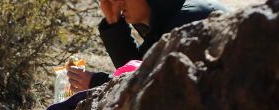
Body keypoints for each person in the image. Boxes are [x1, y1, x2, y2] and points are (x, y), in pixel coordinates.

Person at [68, 0, 229, 92]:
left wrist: (96, 83)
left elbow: (152, 88)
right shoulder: (168, 22)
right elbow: (136, 68)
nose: (118, 1)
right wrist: (113, 21)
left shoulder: (187, 21)